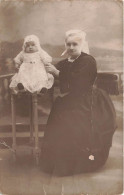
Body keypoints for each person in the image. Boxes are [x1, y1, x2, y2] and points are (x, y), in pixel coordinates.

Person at [40, 30, 117, 176]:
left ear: (81, 45)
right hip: (69, 99)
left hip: (86, 100)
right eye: (68, 44)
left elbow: (80, 82)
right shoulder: (64, 63)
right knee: (59, 120)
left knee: (74, 122)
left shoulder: (88, 61)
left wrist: (57, 73)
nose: (71, 47)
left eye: (75, 44)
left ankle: (79, 163)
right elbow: (55, 74)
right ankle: (58, 162)